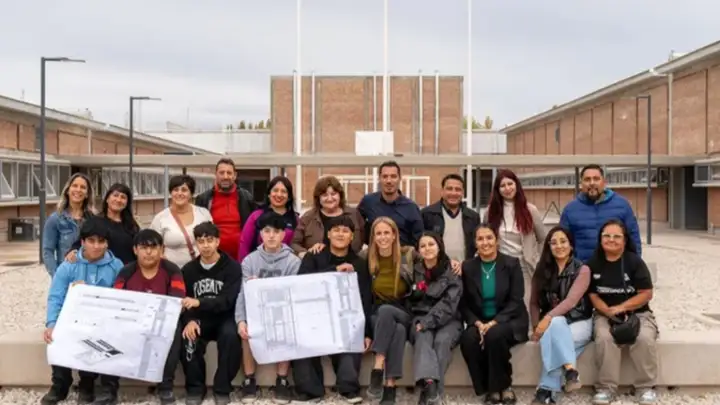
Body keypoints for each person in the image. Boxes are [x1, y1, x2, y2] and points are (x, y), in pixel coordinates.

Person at [40, 217, 124, 405]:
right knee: (56, 334)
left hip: (102, 320)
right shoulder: (69, 265)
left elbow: (121, 298)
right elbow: (55, 297)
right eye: (91, 241)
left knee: (103, 336)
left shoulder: (116, 266)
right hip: (73, 320)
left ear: (107, 243)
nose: (96, 246)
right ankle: (60, 383)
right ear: (83, 242)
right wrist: (51, 324)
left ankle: (87, 384)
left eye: (101, 241)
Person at [292, 215, 373, 403]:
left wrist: (367, 332)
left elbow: (365, 298)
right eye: (336, 230)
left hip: (344, 319)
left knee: (354, 335)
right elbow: (302, 286)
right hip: (315, 317)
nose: (340, 234)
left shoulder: (359, 264)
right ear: (328, 234)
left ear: (352, 236)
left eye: (345, 231)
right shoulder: (314, 256)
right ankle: (310, 390)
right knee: (301, 335)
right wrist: (334, 272)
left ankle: (348, 388)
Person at [103, 229, 186, 405]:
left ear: (161, 250)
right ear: (135, 250)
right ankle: (108, 389)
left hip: (161, 322)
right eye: (143, 247)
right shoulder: (126, 271)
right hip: (132, 320)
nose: (148, 252)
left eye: (153, 247)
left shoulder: (172, 270)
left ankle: (166, 387)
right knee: (110, 327)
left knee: (174, 327)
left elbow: (176, 302)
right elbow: (118, 300)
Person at [587, 219, 658, 405]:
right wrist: (606, 310)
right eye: (606, 236)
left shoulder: (635, 262)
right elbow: (592, 294)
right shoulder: (593, 263)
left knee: (644, 338)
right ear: (600, 239)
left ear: (625, 240)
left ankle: (645, 387)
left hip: (638, 313)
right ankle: (606, 388)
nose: (611, 240)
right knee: (604, 338)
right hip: (604, 314)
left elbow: (646, 293)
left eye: (617, 236)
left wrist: (622, 307)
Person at [235, 212, 302, 404]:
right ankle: (249, 379)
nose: (271, 235)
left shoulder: (293, 262)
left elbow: (293, 295)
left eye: (276, 231)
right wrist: (241, 321)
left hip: (282, 312)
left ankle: (282, 380)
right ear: (261, 234)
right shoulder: (250, 261)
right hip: (257, 314)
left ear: (283, 235)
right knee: (246, 330)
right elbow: (242, 294)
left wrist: (263, 287)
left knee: (287, 326)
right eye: (267, 231)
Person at [459, 223, 528, 405]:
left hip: (510, 319)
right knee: (468, 339)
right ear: (475, 243)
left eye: (489, 238)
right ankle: (488, 387)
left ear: (497, 240)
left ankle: (503, 386)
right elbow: (464, 303)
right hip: (480, 320)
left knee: (494, 335)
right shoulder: (468, 267)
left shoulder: (511, 264)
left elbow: (516, 300)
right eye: (480, 239)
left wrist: (493, 322)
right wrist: (477, 323)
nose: (485, 243)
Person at [180, 222, 243, 405]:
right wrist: (190, 320)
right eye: (201, 241)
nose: (206, 245)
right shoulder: (188, 270)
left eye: (210, 240)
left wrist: (200, 302)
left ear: (218, 241)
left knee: (231, 337)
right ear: (196, 244)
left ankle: (222, 388)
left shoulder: (232, 267)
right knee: (189, 338)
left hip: (225, 317)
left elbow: (228, 300)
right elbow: (184, 301)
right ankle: (195, 388)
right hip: (200, 318)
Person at [528, 226, 593, 404]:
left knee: (553, 331)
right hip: (553, 325)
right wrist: (536, 326)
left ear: (571, 245)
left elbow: (571, 301)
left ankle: (545, 390)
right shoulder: (541, 270)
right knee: (556, 328)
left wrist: (546, 319)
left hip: (580, 321)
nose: (559, 246)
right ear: (548, 247)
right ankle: (570, 371)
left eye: (563, 241)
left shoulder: (582, 270)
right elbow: (534, 303)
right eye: (554, 243)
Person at [361, 217, 416, 405]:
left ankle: (378, 366)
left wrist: (454, 264)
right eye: (378, 233)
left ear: (394, 235)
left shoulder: (408, 254)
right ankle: (389, 387)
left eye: (387, 233)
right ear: (373, 237)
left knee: (388, 313)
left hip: (403, 310)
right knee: (397, 330)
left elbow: (434, 258)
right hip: (377, 314)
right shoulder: (366, 257)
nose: (383, 237)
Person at [407, 232, 463, 405]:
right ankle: (431, 388)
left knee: (442, 341)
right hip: (420, 316)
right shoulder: (414, 270)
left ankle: (430, 394)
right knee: (423, 338)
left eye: (431, 244)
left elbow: (449, 303)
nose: (427, 248)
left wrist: (428, 322)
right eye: (423, 246)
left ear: (439, 247)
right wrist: (423, 322)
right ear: (418, 250)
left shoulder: (452, 270)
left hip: (449, 320)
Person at [484, 169, 546, 309]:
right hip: (500, 265)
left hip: (524, 265)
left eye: (510, 184)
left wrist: (539, 260)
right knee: (502, 305)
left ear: (516, 184)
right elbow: (485, 238)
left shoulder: (530, 210)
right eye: (502, 185)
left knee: (525, 305)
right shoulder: (490, 212)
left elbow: (543, 239)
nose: (507, 188)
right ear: (497, 189)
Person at [560, 164, 642, 263]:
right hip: (583, 268)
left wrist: (635, 265)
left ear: (604, 182)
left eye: (596, 179)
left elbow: (634, 238)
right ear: (581, 183)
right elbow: (562, 242)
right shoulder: (570, 210)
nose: (592, 183)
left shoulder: (622, 205)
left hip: (616, 268)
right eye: (587, 179)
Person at [195, 158, 257, 259]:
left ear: (235, 175)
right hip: (213, 258)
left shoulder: (246, 198)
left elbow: (254, 228)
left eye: (229, 173)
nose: (225, 177)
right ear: (216, 174)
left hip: (242, 258)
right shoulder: (204, 199)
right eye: (222, 173)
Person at [66, 183, 140, 265]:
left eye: (123, 197)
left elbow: (139, 248)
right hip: (101, 270)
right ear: (107, 199)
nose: (119, 200)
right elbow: (80, 242)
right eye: (115, 195)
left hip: (127, 270)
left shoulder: (132, 225)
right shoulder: (94, 222)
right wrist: (73, 251)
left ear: (127, 203)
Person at [292, 175, 365, 257]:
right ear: (318, 198)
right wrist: (306, 255)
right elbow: (294, 243)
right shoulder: (308, 218)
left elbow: (366, 239)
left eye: (333, 194)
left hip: (350, 263)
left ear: (340, 195)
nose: (329, 199)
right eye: (324, 195)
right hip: (317, 264)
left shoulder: (354, 215)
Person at [151, 175, 213, 268]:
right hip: (172, 271)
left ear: (191, 194)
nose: (179, 193)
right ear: (171, 193)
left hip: (201, 269)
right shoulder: (160, 218)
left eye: (184, 190)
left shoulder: (203, 213)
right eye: (175, 190)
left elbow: (212, 239)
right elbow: (152, 245)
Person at [358, 161, 424, 248]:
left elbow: (418, 239)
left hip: (402, 255)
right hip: (374, 254)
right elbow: (356, 225)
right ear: (379, 179)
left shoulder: (411, 208)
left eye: (393, 176)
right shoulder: (368, 202)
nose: (389, 181)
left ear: (400, 178)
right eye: (385, 176)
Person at [42, 172, 94, 277]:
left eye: (83, 187)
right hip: (66, 275)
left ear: (87, 194)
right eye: (75, 185)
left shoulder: (93, 219)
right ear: (67, 190)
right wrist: (57, 276)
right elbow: (48, 252)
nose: (78, 190)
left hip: (88, 276)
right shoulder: (55, 219)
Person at [237, 176, 299, 263]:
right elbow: (244, 244)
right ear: (269, 194)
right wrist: (243, 266)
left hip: (286, 267)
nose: (279, 194)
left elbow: (298, 245)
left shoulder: (295, 219)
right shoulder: (256, 216)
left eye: (283, 191)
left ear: (289, 197)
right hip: (258, 266)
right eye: (275, 190)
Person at [421, 174, 480, 262]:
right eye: (449, 189)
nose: (453, 193)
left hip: (465, 268)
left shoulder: (473, 217)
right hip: (437, 268)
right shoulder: (427, 214)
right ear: (442, 191)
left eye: (458, 189)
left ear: (463, 193)